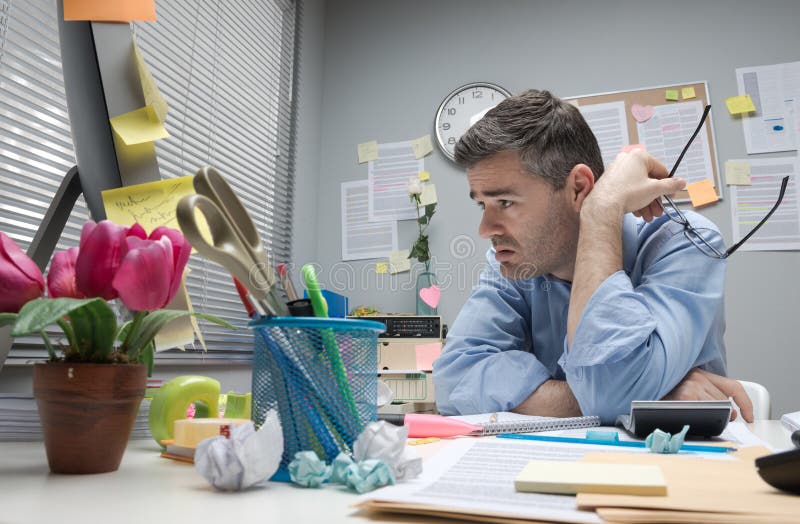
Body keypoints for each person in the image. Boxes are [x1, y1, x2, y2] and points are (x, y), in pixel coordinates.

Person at [433, 89, 753, 424]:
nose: (485, 228)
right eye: (482, 204)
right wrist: (645, 397)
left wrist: (602, 211)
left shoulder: (683, 240)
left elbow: (611, 392)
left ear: (579, 189)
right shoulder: (513, 262)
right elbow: (453, 380)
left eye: (506, 203)